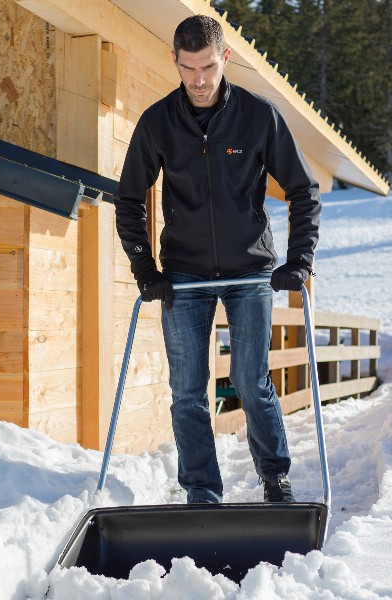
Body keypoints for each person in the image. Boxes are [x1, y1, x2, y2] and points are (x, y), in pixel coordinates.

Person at [114, 15, 321, 504]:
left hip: (249, 271)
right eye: (189, 69)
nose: (199, 80)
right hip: (183, 275)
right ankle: (202, 492)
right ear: (176, 63)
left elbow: (303, 190)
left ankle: (275, 481)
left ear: (224, 58)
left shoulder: (258, 116)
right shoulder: (157, 122)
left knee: (251, 382)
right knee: (188, 391)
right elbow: (128, 198)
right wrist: (145, 269)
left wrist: (300, 260)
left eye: (207, 66)